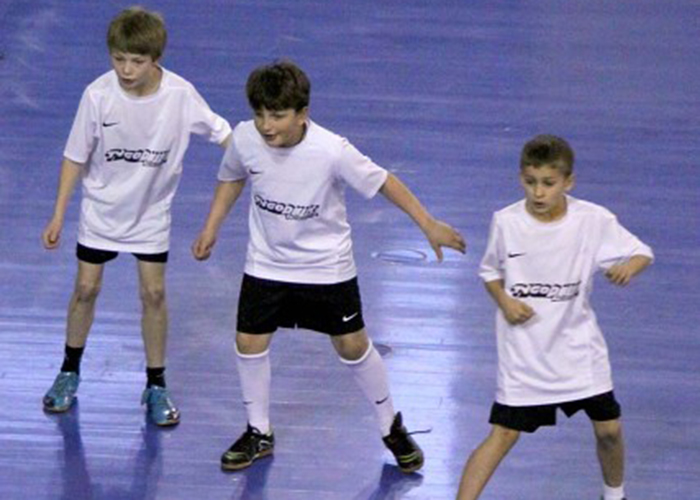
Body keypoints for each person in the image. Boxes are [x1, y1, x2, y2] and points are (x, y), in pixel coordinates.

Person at [192, 60, 466, 472]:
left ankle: (390, 425)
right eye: (260, 114)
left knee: (352, 346)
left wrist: (428, 224)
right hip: (267, 264)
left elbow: (384, 181)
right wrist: (211, 226)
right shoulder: (245, 138)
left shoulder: (332, 150)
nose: (266, 125)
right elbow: (232, 176)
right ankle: (258, 431)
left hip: (326, 268)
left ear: (302, 114)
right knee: (249, 342)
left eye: (277, 115)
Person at [41, 6, 232, 426]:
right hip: (101, 211)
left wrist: (263, 164)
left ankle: (156, 384)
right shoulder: (97, 95)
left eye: (137, 61)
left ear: (155, 59)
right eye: (119, 59)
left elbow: (225, 135)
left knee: (154, 294)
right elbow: (75, 156)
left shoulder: (180, 95)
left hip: (150, 214)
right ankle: (69, 372)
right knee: (86, 289)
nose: (126, 70)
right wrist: (58, 215)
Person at [456, 135, 653, 500]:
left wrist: (629, 267)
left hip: (579, 352)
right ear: (521, 177)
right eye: (530, 182)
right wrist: (504, 301)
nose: (538, 192)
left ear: (568, 182)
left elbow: (642, 252)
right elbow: (489, 271)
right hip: (524, 356)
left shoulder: (592, 220)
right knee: (503, 434)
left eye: (548, 183)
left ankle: (615, 496)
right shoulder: (506, 221)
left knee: (609, 430)